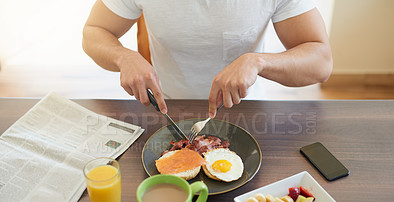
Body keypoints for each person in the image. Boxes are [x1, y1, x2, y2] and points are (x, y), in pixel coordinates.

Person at [82, 0, 332, 118]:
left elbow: (320, 61)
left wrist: (258, 62)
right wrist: (123, 57)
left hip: (246, 112)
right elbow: (94, 32)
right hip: (167, 111)